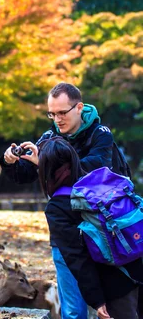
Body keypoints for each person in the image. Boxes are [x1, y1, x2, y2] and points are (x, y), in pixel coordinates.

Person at [0, 82, 131, 319]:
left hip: (105, 227)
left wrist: (48, 165)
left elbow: (95, 171)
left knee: (119, 307)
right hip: (66, 226)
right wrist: (10, 162)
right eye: (52, 113)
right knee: (72, 310)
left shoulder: (100, 135)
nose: (57, 119)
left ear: (79, 107)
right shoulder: (50, 136)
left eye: (62, 112)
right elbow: (27, 175)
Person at [39, 136, 143, 319]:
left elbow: (77, 257)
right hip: (137, 267)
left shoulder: (57, 207)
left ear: (46, 170)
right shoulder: (97, 186)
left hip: (115, 286)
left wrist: (97, 299)